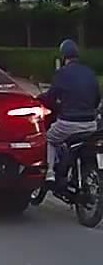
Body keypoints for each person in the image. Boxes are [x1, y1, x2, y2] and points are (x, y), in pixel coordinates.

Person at [38, 39, 100, 188]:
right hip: (91, 125)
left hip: (69, 124)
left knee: (49, 139)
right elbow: (97, 98)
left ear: (63, 57)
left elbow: (51, 97)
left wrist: (40, 99)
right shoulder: (90, 72)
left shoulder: (62, 73)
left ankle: (50, 173)